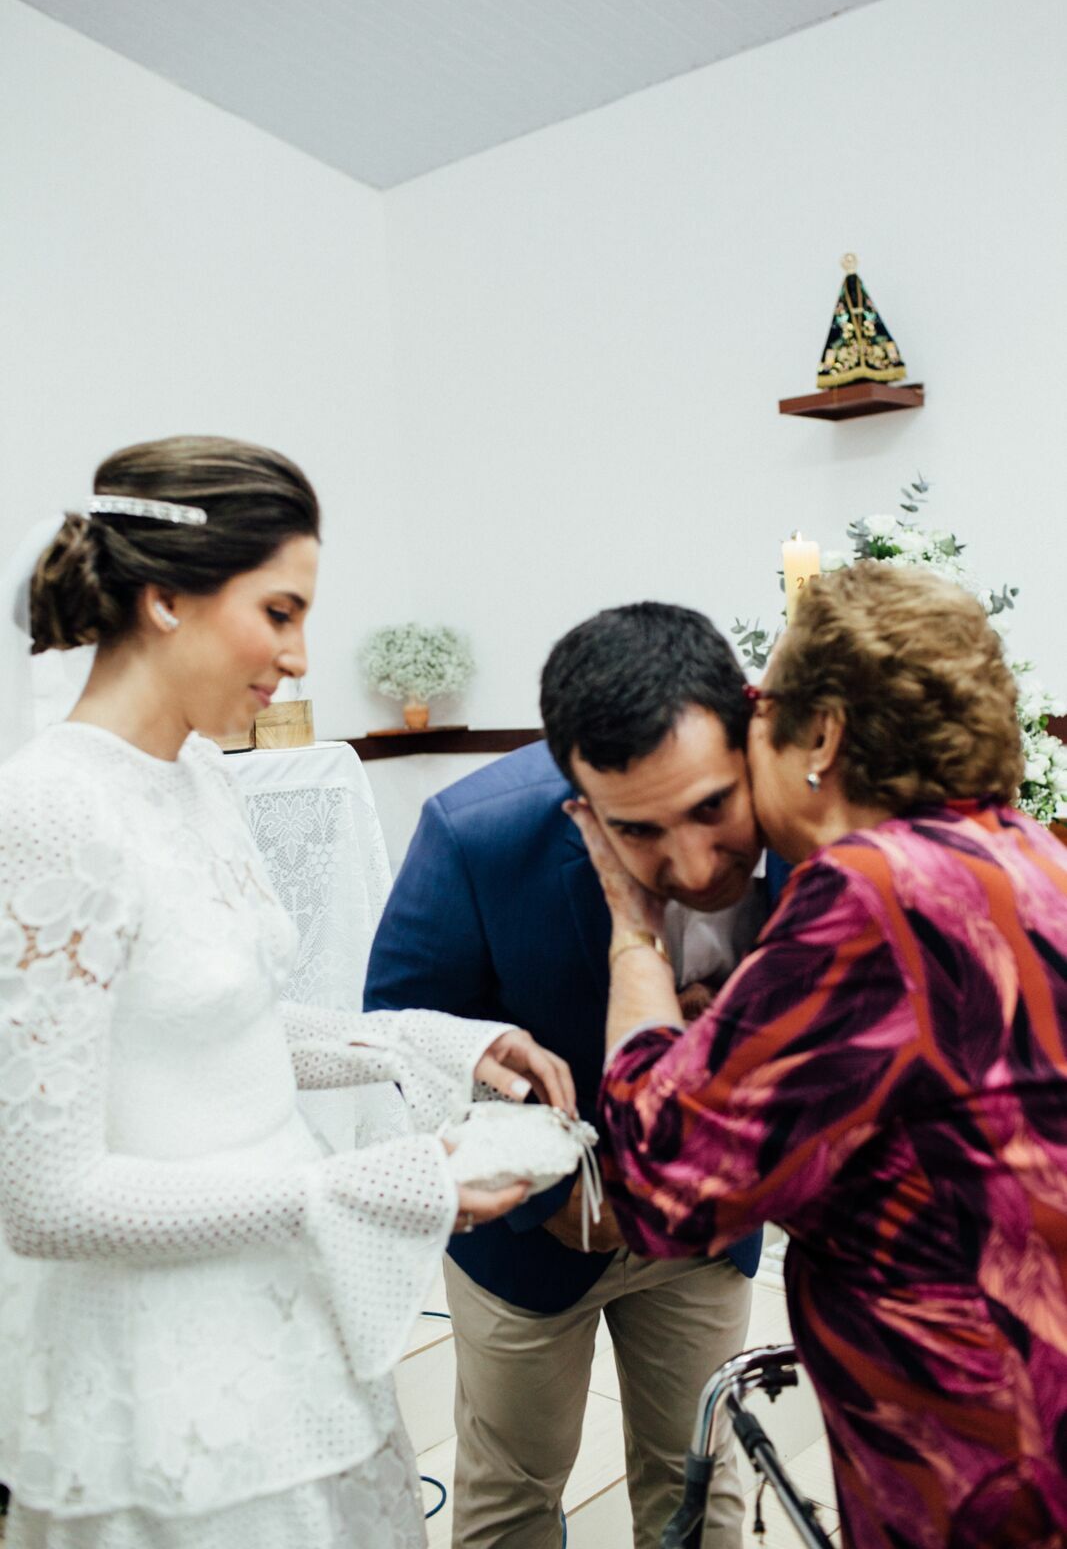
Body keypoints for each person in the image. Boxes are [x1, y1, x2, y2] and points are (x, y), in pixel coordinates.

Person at [0, 436, 575, 1549]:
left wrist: (434, 1045)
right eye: (279, 612)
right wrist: (362, 1187)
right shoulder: (53, 813)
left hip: (286, 1319)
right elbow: (45, 1198)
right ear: (164, 598)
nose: (302, 656)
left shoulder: (203, 776)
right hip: (165, 1371)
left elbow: (235, 1032)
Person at [575, 562, 1067, 1549]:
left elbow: (661, 1185)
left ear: (823, 735)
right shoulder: (1024, 852)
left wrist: (631, 935)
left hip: (968, 1434)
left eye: (760, 717)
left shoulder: (868, 891)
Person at [365, 603, 790, 1549]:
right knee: (511, 1492)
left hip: (703, 1240)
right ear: (577, 801)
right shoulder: (475, 833)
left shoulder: (811, 820)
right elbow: (400, 1031)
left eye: (713, 809)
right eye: (637, 830)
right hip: (528, 1251)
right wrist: (530, 1191)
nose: (689, 864)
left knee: (702, 1484)